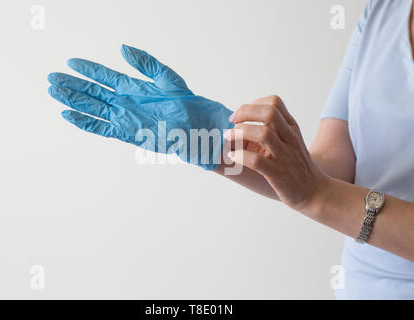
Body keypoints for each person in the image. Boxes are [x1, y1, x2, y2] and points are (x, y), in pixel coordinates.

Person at [48, 0, 414, 299]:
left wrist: (319, 194)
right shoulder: (382, 11)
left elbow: (322, 190)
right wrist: (216, 142)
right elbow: (331, 174)